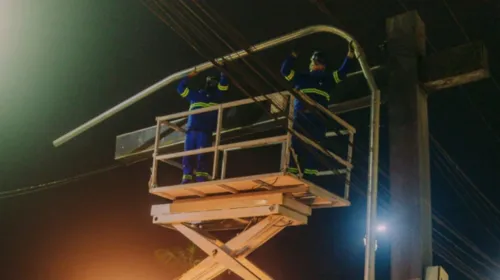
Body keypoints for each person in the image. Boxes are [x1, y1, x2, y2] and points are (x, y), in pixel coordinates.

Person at [280, 43, 355, 180]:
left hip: (315, 119)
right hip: (304, 118)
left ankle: (307, 178)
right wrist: (292, 56)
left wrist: (350, 56)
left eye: (318, 61)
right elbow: (284, 70)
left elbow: (343, 71)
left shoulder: (326, 79)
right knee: (299, 147)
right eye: (315, 61)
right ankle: (294, 176)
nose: (316, 64)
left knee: (313, 149)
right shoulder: (304, 78)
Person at [176, 70, 229, 184]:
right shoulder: (196, 94)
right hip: (193, 130)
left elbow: (223, 85)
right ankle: (187, 177)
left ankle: (200, 177)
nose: (211, 84)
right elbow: (180, 88)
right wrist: (189, 76)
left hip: (204, 131)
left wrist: (223, 73)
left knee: (203, 154)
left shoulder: (216, 96)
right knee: (188, 154)